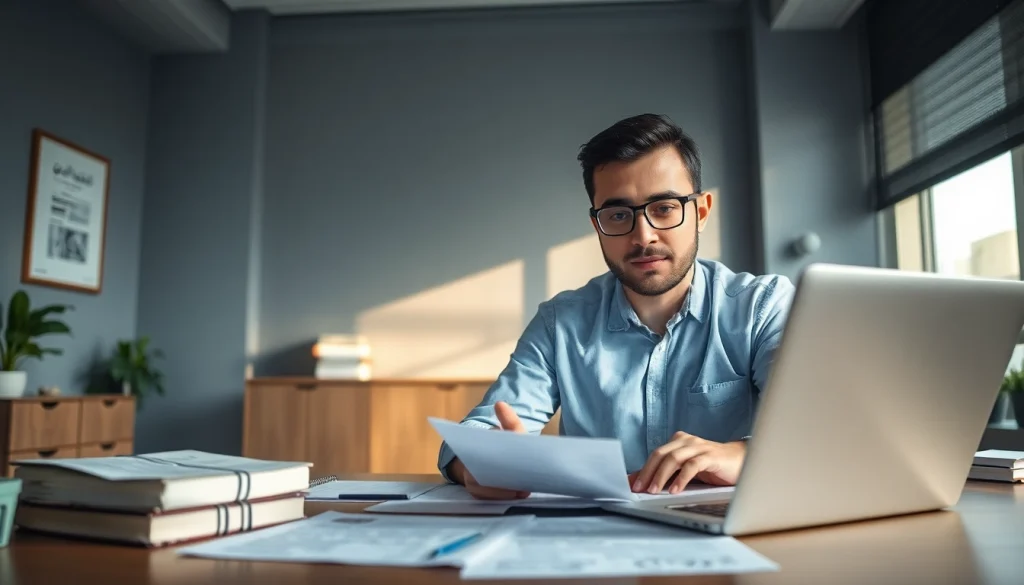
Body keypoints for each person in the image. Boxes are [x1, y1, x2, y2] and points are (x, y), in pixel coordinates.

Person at [437, 113, 796, 500]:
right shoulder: (561, 324)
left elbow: (817, 429)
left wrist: (742, 455)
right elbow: (469, 439)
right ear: (598, 226)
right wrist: (481, 464)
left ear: (702, 212)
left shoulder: (762, 308)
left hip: (729, 524)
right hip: (596, 530)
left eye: (664, 208)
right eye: (619, 215)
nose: (643, 236)